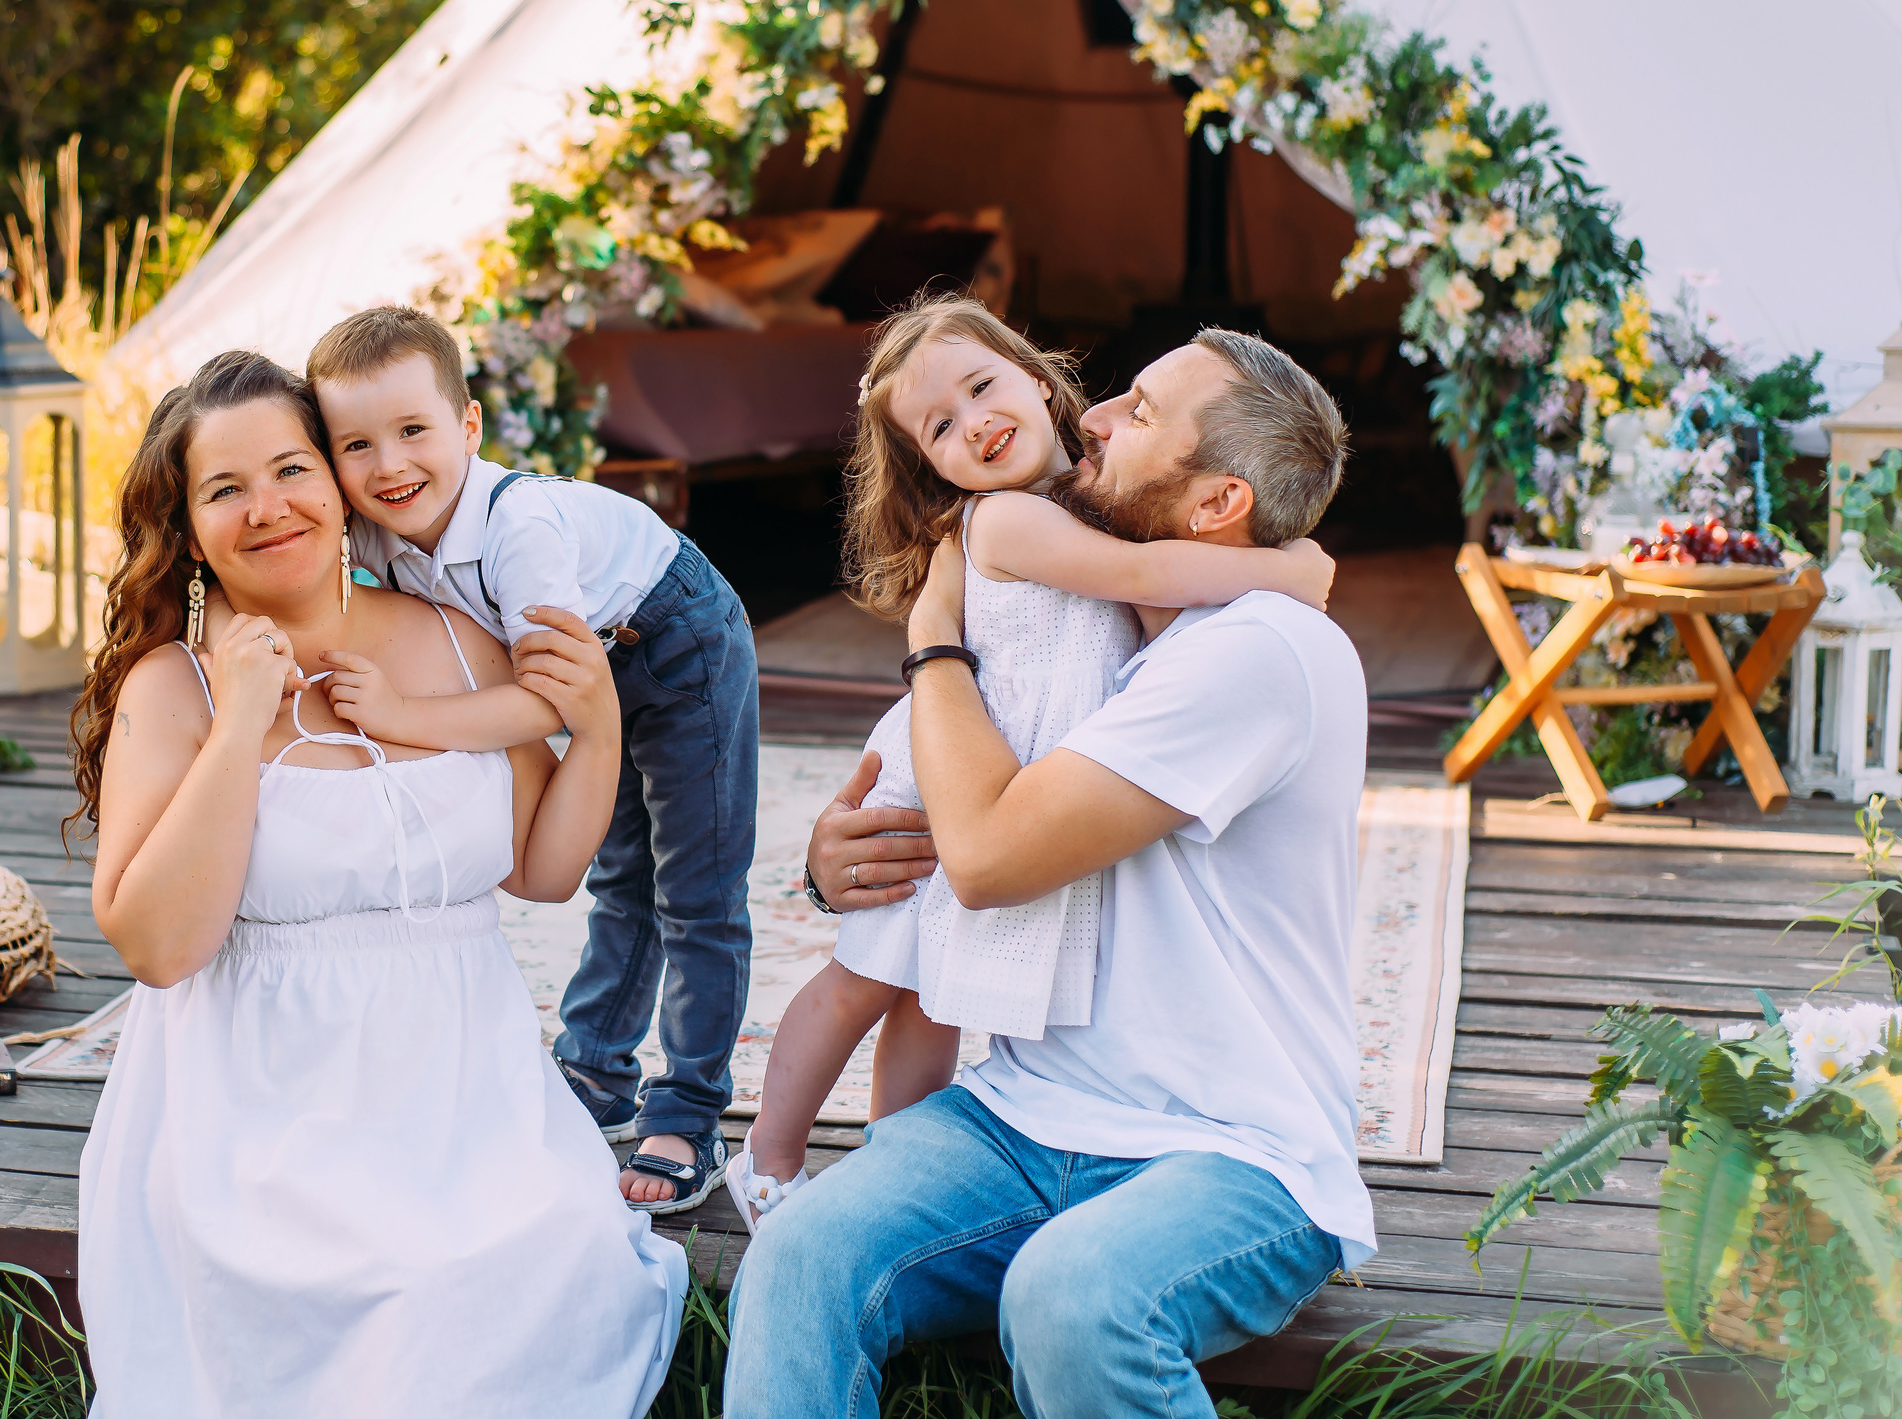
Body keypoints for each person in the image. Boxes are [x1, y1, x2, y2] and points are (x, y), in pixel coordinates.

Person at [725, 329, 1372, 1419]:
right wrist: (842, 867)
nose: (1094, 415)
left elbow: (988, 857)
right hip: (1026, 1117)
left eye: (1140, 411)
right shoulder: (1103, 628)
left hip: (1232, 1153)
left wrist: (934, 636)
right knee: (797, 1255)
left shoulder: (1260, 648)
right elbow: (966, 795)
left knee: (1071, 1295)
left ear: (1217, 504)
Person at [69, 350, 684, 1418]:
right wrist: (238, 725)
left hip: (467, 1099)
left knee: (534, 1266)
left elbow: (543, 871)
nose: (269, 508)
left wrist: (597, 730)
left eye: (290, 469)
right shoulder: (172, 686)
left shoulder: (456, 639)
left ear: (338, 483)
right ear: (191, 530)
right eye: (225, 488)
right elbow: (159, 946)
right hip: (259, 1125)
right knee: (410, 1301)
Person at [305, 306, 759, 1214]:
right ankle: (597, 1070)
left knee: (698, 882)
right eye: (356, 445)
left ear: (469, 426)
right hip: (591, 660)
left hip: (678, 638)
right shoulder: (376, 533)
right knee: (623, 875)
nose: (388, 464)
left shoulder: (518, 529)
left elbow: (553, 702)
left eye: (413, 430)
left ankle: (691, 1108)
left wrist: (403, 714)